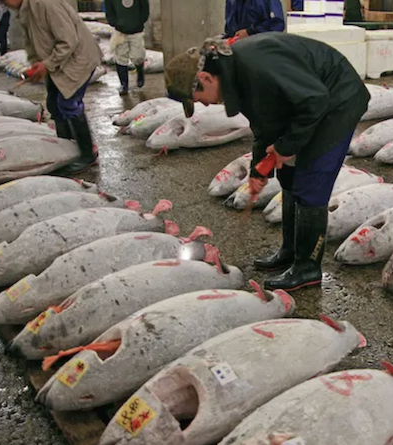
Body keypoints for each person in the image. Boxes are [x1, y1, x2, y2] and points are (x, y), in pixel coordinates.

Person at [165, 34, 370, 291]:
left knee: (310, 181)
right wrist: (258, 170)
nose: (204, 104)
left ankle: (308, 267)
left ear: (206, 78)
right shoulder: (236, 75)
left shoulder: (255, 66)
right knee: (289, 177)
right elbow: (264, 123)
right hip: (310, 101)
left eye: (198, 98)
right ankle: (291, 251)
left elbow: (314, 100)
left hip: (337, 99)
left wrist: (285, 147)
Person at [4, 0, 102, 173]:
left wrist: (47, 64)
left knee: (69, 104)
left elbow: (69, 40)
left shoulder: (45, 4)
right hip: (60, 62)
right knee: (54, 104)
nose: (5, 4)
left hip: (78, 59)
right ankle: (67, 149)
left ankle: (87, 155)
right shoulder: (25, 11)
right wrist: (37, 64)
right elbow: (32, 44)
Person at [104, 0, 149, 96]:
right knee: (120, 57)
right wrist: (114, 22)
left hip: (137, 31)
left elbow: (145, 8)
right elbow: (109, 9)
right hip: (120, 32)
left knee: (138, 56)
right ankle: (124, 85)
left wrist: (139, 21)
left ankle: (140, 72)